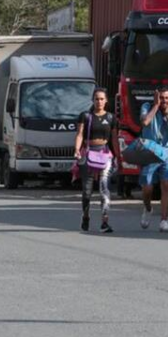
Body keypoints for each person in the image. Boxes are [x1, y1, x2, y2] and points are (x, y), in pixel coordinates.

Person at [73, 88, 120, 233]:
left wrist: (118, 156)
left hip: (105, 154)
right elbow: (80, 134)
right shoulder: (85, 116)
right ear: (93, 101)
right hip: (89, 154)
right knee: (87, 191)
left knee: (104, 188)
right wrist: (76, 149)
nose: (99, 102)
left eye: (101, 99)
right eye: (96, 99)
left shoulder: (111, 118)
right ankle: (86, 216)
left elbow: (113, 139)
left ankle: (104, 222)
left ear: (106, 101)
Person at [138, 87, 168, 233]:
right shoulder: (147, 107)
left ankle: (164, 220)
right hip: (149, 151)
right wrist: (156, 107)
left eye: (166, 98)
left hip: (166, 152)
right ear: (156, 98)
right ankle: (148, 207)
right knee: (147, 187)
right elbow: (144, 122)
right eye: (161, 98)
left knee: (166, 185)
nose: (164, 101)